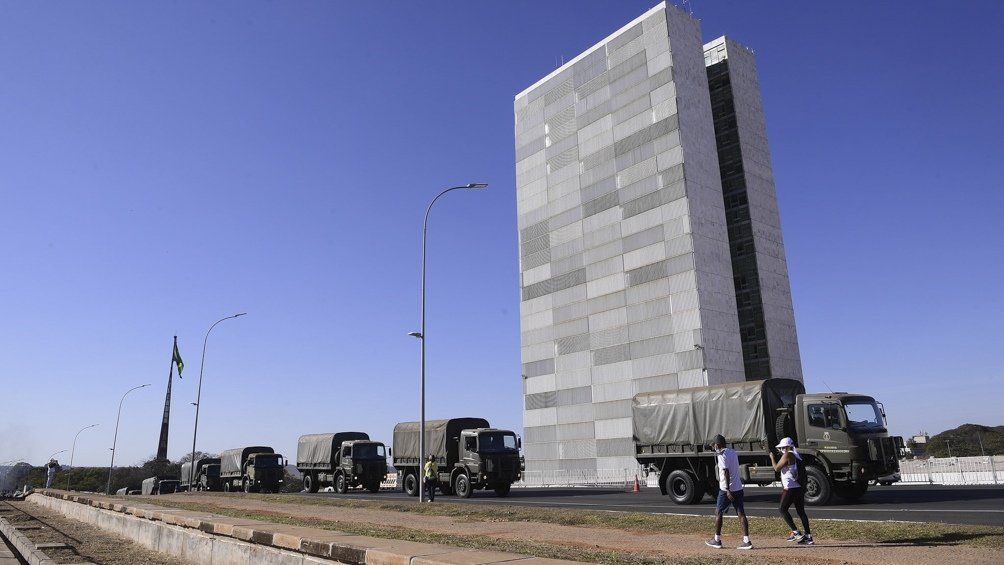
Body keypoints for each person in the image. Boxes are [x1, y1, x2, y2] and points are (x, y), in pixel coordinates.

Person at [706, 434, 752, 550]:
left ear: (718, 445)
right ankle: (746, 541)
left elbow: (726, 471)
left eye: (715, 445)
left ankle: (717, 540)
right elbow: (719, 451)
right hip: (738, 487)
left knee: (718, 512)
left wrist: (727, 490)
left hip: (727, 489)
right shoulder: (732, 452)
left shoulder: (722, 455)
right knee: (741, 513)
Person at [770, 437, 813, 545]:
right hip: (798, 486)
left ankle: (795, 532)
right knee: (801, 512)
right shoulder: (796, 455)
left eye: (783, 447)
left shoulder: (788, 454)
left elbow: (776, 468)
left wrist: (772, 458)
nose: (781, 450)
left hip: (790, 487)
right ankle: (808, 536)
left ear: (787, 447)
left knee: (782, 509)